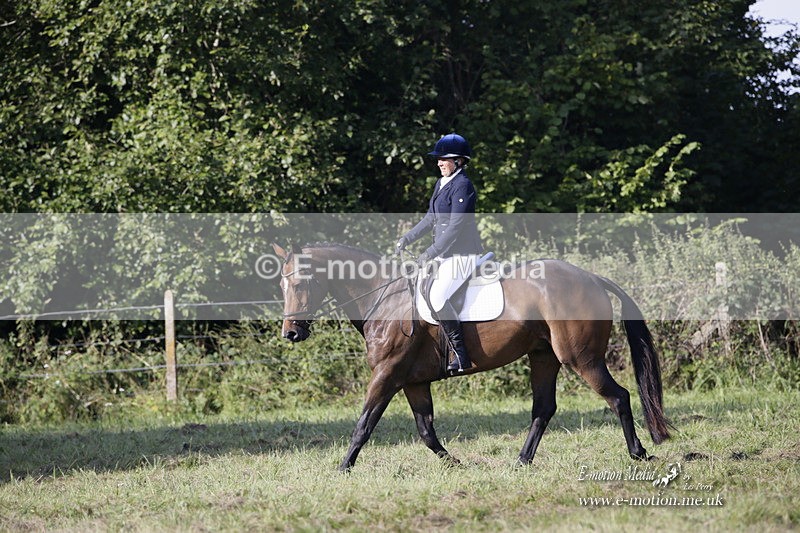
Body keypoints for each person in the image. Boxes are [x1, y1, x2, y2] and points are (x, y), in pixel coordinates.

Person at [395, 133, 483, 374]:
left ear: (459, 161)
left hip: (463, 255)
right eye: (439, 159)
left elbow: (455, 227)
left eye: (444, 159)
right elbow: (430, 218)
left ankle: (461, 355)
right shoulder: (441, 183)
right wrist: (408, 237)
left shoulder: (463, 185)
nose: (439, 163)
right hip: (446, 255)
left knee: (439, 297)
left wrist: (429, 253)